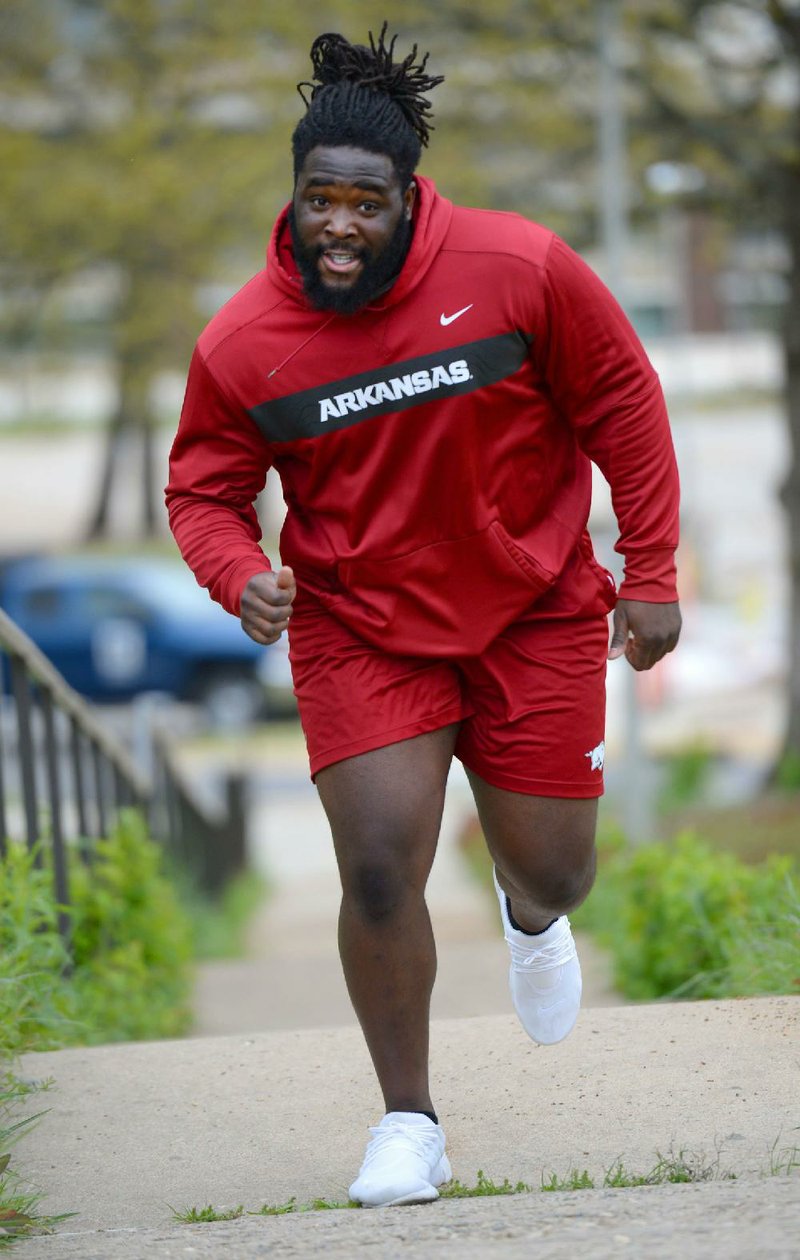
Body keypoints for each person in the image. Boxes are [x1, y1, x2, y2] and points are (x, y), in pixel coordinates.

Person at [166, 24, 681, 1209]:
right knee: (380, 871)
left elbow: (621, 400)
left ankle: (526, 911)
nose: (337, 224)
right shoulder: (243, 342)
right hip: (360, 624)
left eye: (364, 202)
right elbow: (201, 486)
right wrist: (233, 568)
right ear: (290, 198)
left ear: (409, 199)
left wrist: (648, 567)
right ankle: (409, 1123)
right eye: (316, 199)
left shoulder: (518, 269)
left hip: (534, 604)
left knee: (555, 873)